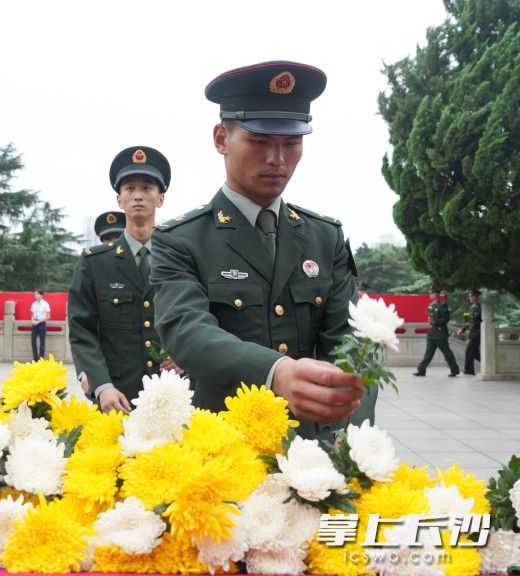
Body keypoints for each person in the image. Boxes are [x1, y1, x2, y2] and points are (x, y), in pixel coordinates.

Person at [150, 61, 373, 442]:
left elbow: (351, 345)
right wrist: (276, 371)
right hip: (222, 445)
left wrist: (349, 434)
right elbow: (188, 332)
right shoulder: (180, 240)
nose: (278, 159)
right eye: (259, 141)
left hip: (311, 450)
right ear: (221, 138)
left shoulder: (325, 237)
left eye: (292, 143)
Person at [69, 145, 181, 414]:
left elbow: (202, 317)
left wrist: (187, 359)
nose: (138, 196)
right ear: (119, 199)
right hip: (117, 399)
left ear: (161, 198)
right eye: (129, 188)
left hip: (175, 394)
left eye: (147, 188)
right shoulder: (95, 262)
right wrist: (101, 385)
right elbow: (82, 330)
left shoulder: (182, 256)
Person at [414, 287, 460, 377]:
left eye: (433, 293)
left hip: (440, 334)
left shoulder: (442, 306)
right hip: (431, 333)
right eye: (430, 293)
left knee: (447, 353)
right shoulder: (431, 306)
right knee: (428, 354)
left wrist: (434, 322)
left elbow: (445, 320)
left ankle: (454, 370)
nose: (430, 295)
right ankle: (421, 370)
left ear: (438, 294)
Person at [456, 290, 482, 375]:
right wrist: (462, 330)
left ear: (477, 297)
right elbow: (467, 321)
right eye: (470, 296)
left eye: (472, 296)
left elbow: (483, 322)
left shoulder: (481, 308)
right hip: (472, 333)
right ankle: (489, 363)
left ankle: (469, 370)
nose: (470, 298)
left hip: (478, 333)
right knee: (475, 353)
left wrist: (474, 324)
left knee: (469, 351)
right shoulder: (469, 308)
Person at [30, 289, 50, 361]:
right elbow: (32, 314)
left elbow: (48, 316)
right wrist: (32, 320)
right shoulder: (34, 304)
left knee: (42, 342)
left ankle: (41, 359)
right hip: (34, 324)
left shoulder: (45, 304)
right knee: (33, 341)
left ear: (41, 295)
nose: (36, 295)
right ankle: (35, 359)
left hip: (41, 324)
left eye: (37, 294)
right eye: (35, 294)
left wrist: (39, 321)